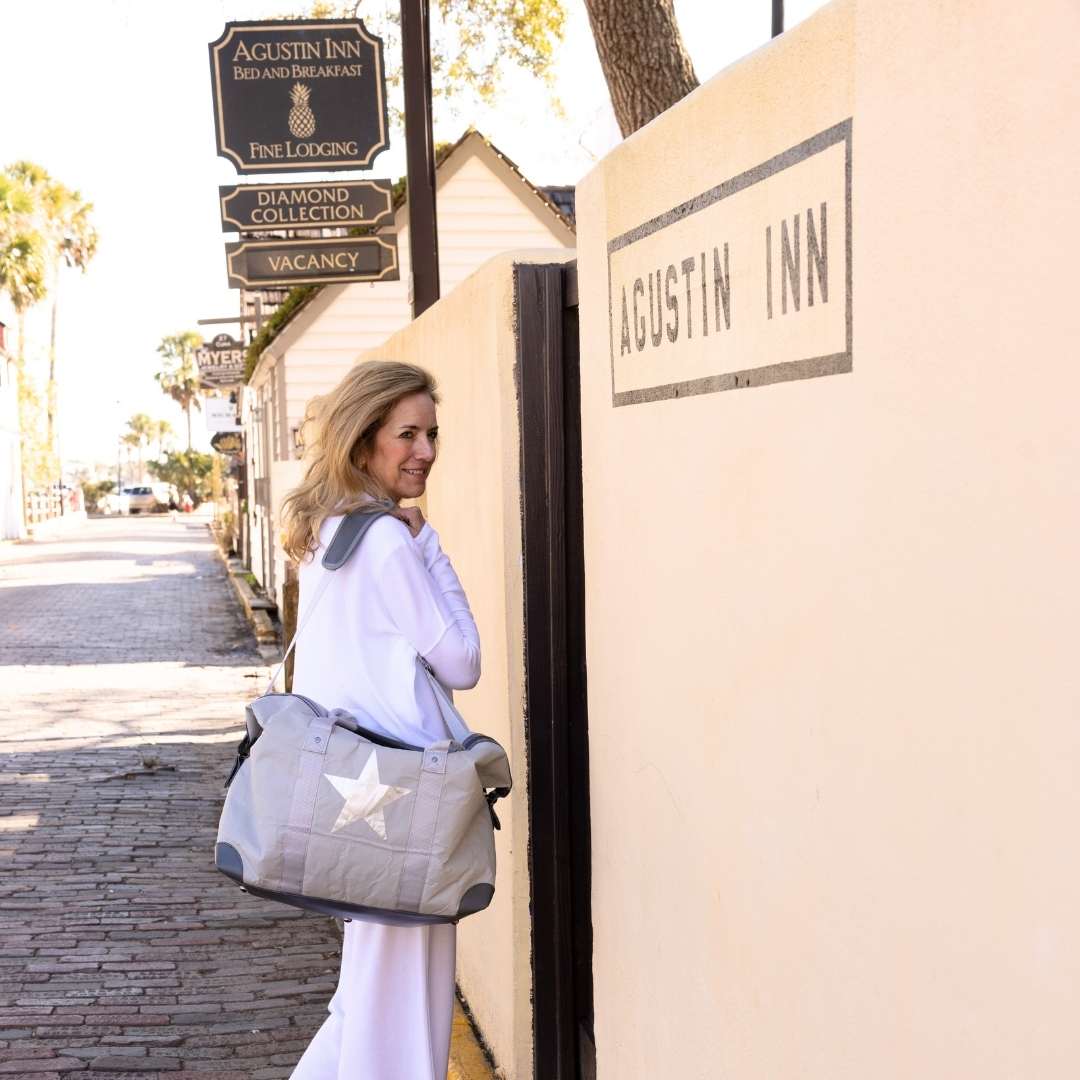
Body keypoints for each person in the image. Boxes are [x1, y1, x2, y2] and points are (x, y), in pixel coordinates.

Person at [280, 360, 481, 1079]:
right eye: (407, 434)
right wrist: (431, 547)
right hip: (406, 796)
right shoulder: (390, 541)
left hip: (351, 788)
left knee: (369, 993)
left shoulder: (331, 536)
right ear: (365, 441)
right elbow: (461, 662)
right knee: (406, 999)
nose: (424, 450)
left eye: (431, 433)